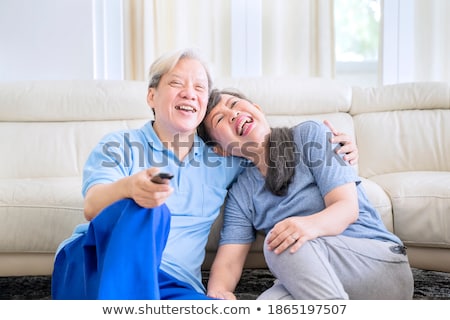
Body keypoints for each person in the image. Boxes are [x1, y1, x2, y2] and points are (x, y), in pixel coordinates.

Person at [51, 48, 358, 300]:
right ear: (151, 97)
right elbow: (92, 206)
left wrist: (339, 148)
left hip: (174, 287)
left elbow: (269, 143)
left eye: (199, 87)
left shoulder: (223, 154)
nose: (190, 93)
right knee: (148, 210)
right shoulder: (119, 145)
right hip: (95, 266)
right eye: (176, 84)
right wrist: (132, 187)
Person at [197, 89, 414, 300]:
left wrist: (303, 228)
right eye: (219, 119)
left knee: (280, 242)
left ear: (257, 109)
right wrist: (219, 294)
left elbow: (347, 209)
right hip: (321, 280)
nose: (232, 113)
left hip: (379, 265)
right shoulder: (241, 193)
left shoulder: (309, 135)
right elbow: (229, 262)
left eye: (234, 104)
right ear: (220, 149)